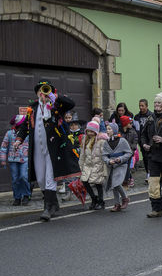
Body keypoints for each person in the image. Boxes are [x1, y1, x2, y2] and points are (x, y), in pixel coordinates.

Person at [13, 80, 80, 220]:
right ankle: (54, 204)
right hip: (37, 148)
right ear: (37, 93)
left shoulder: (56, 106)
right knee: (41, 179)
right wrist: (19, 140)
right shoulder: (32, 108)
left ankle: (47, 209)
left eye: (45, 90)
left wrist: (53, 97)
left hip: (53, 149)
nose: (42, 93)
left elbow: (71, 104)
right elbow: (25, 127)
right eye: (40, 90)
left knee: (50, 177)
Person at [1, 115, 31, 206]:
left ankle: (26, 195)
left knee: (23, 177)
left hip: (24, 159)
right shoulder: (9, 133)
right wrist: (3, 159)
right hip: (13, 160)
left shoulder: (28, 133)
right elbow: (4, 147)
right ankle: (17, 197)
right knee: (15, 179)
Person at [102, 122, 132, 212]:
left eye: (109, 129)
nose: (107, 131)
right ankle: (117, 204)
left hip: (121, 165)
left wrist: (120, 158)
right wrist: (108, 161)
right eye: (107, 129)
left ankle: (125, 198)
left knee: (116, 183)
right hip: (111, 166)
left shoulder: (122, 141)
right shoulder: (106, 142)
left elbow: (129, 153)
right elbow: (104, 155)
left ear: (114, 130)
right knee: (114, 185)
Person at [79, 119, 109, 210]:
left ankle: (101, 201)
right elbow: (82, 154)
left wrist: (104, 168)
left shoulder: (101, 141)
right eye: (88, 131)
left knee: (98, 184)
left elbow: (104, 155)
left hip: (97, 165)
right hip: (87, 165)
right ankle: (93, 198)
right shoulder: (85, 140)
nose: (90, 133)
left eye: (92, 131)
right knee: (84, 181)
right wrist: (81, 165)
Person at [134, 99, 154, 176]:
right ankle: (148, 173)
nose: (141, 107)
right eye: (140, 106)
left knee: (151, 156)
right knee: (145, 157)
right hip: (142, 140)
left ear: (147, 106)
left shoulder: (151, 115)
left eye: (142, 106)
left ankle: (152, 172)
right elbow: (136, 129)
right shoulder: (137, 117)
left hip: (151, 139)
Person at [118, 115, 138, 188]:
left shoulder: (133, 132)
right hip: (121, 153)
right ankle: (121, 181)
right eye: (130, 123)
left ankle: (126, 182)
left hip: (129, 153)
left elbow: (135, 142)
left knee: (127, 168)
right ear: (125, 124)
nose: (131, 125)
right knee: (121, 168)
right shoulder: (119, 133)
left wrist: (131, 149)